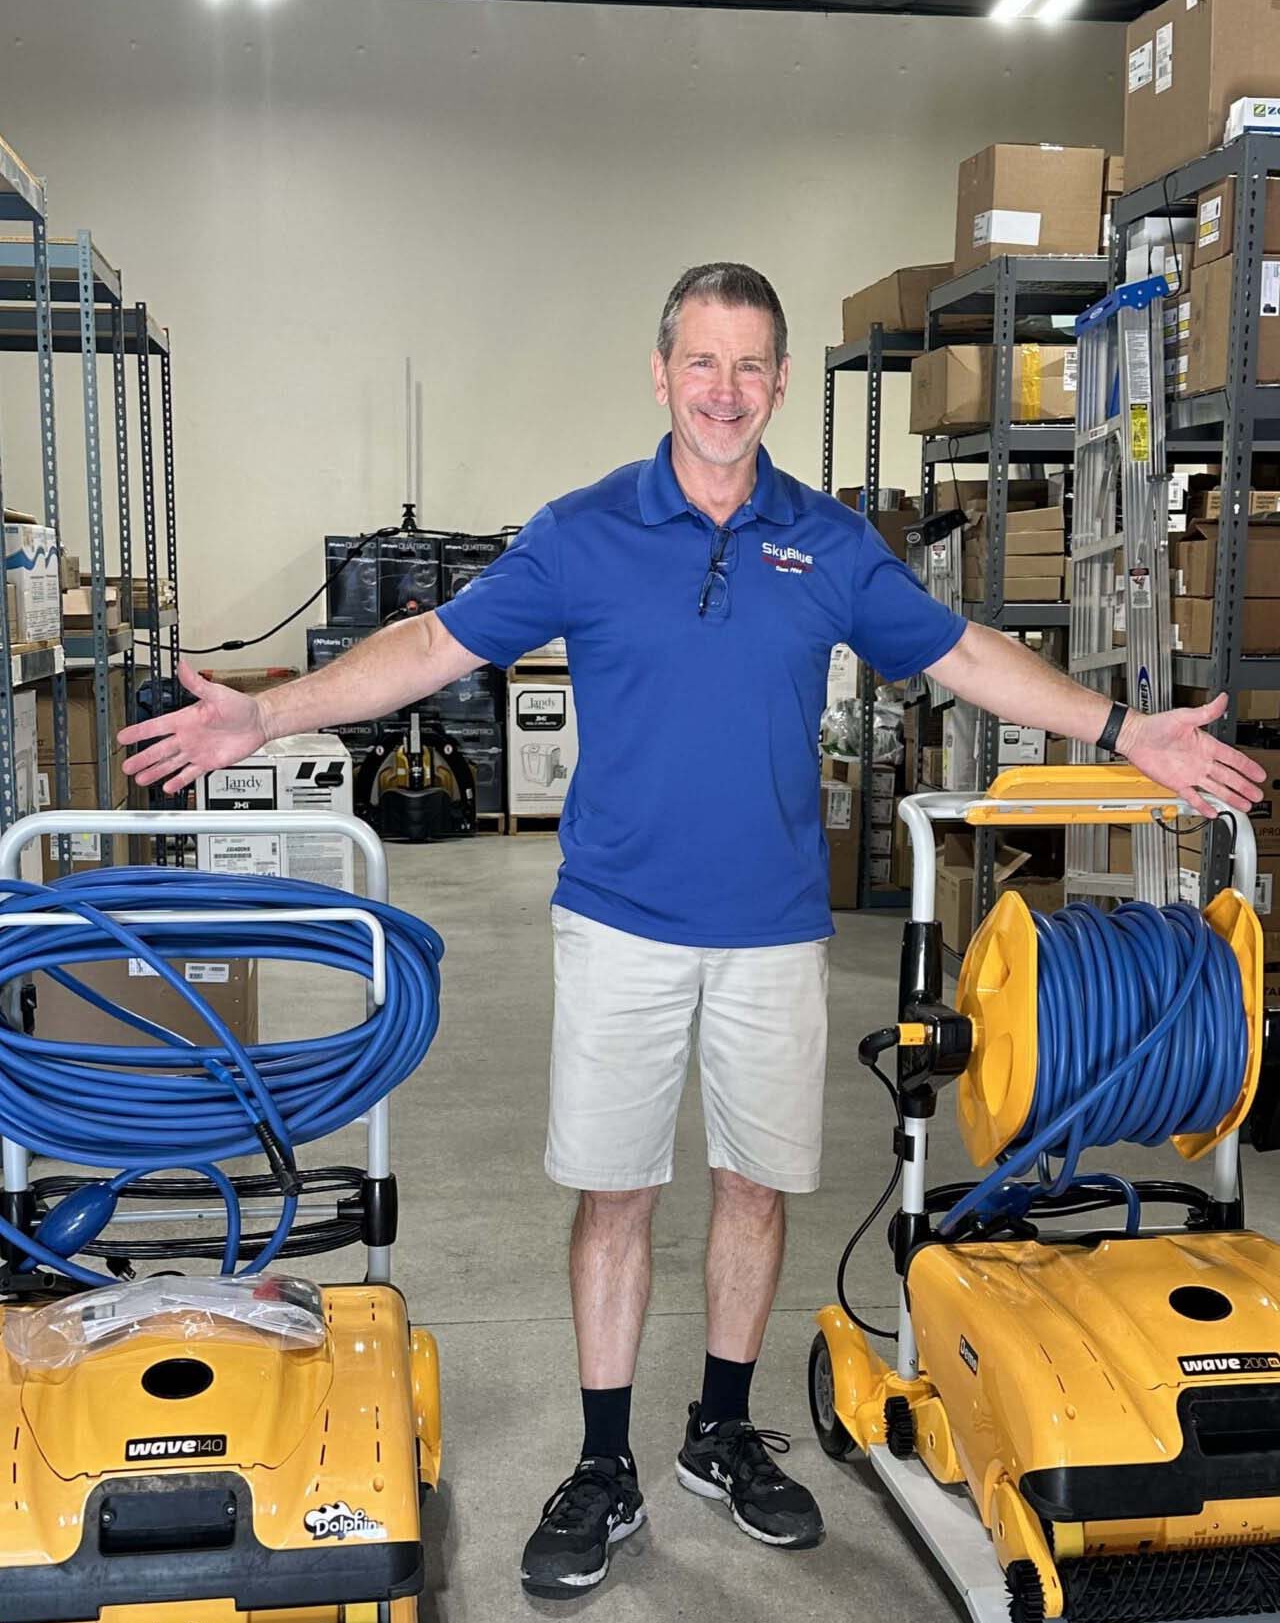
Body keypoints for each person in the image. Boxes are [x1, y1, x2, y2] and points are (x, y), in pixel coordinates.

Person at [120, 262, 1265, 1601]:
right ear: (660, 373)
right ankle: (604, 1460)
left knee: (755, 1186)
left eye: (749, 367)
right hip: (620, 925)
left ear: (778, 383)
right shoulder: (584, 529)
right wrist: (270, 713)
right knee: (615, 1191)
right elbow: (434, 644)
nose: (725, 391)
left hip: (775, 931)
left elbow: (958, 649)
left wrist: (1125, 729)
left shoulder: (828, 542)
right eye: (701, 363)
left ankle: (719, 1429)